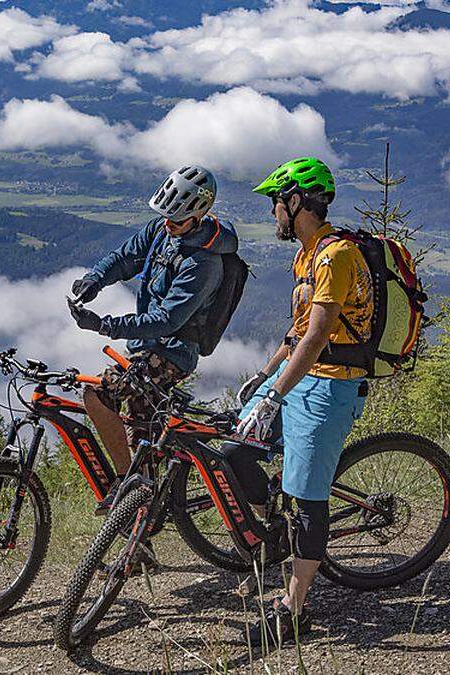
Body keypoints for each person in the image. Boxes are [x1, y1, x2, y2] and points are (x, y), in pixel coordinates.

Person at [237, 156, 372, 643]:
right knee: (234, 446)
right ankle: (277, 523)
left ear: (297, 202)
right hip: (299, 378)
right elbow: (297, 333)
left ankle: (293, 611)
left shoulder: (335, 255)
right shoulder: (307, 253)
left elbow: (317, 339)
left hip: (329, 387)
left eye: (276, 202)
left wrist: (276, 393)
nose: (272, 212)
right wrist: (265, 375)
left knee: (308, 504)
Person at [67, 165, 239, 516]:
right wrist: (96, 279)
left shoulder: (204, 263)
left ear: (199, 214)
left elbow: (167, 320)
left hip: (172, 353)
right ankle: (144, 522)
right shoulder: (162, 231)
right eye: (164, 216)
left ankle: (125, 484)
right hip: (145, 348)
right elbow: (126, 257)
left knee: (97, 394)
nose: (167, 224)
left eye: (176, 220)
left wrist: (104, 325)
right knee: (143, 437)